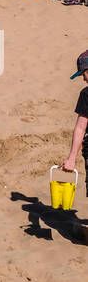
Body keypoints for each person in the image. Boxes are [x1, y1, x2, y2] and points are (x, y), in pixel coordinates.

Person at [59, 53, 88, 195]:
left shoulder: (86, 94)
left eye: (84, 73)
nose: (83, 78)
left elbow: (81, 127)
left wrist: (71, 158)